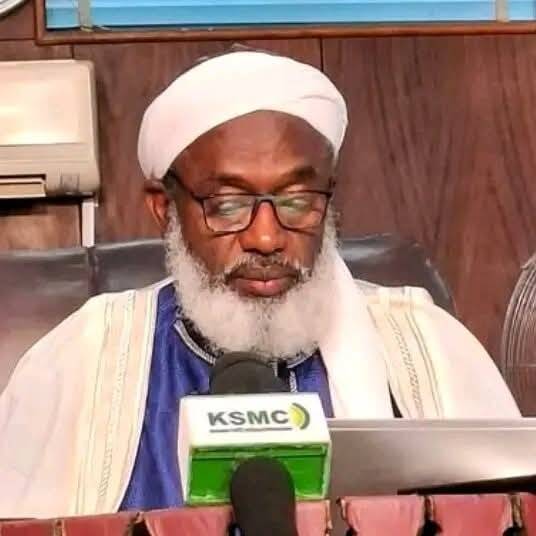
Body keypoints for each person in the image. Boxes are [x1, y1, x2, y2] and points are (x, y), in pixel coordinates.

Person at [0, 47, 520, 517]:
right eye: (227, 205)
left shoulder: (426, 347)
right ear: (164, 209)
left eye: (297, 201)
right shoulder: (83, 358)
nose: (267, 238)